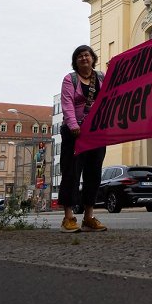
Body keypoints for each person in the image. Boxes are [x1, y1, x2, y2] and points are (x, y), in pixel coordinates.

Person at [58, 45, 108, 233]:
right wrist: (73, 126)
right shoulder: (69, 79)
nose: (83, 58)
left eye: (86, 55)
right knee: (71, 172)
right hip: (75, 133)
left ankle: (89, 216)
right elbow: (67, 103)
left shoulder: (101, 77)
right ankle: (69, 217)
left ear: (93, 58)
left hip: (96, 132)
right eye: (79, 56)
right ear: (75, 61)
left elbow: (111, 95)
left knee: (93, 174)